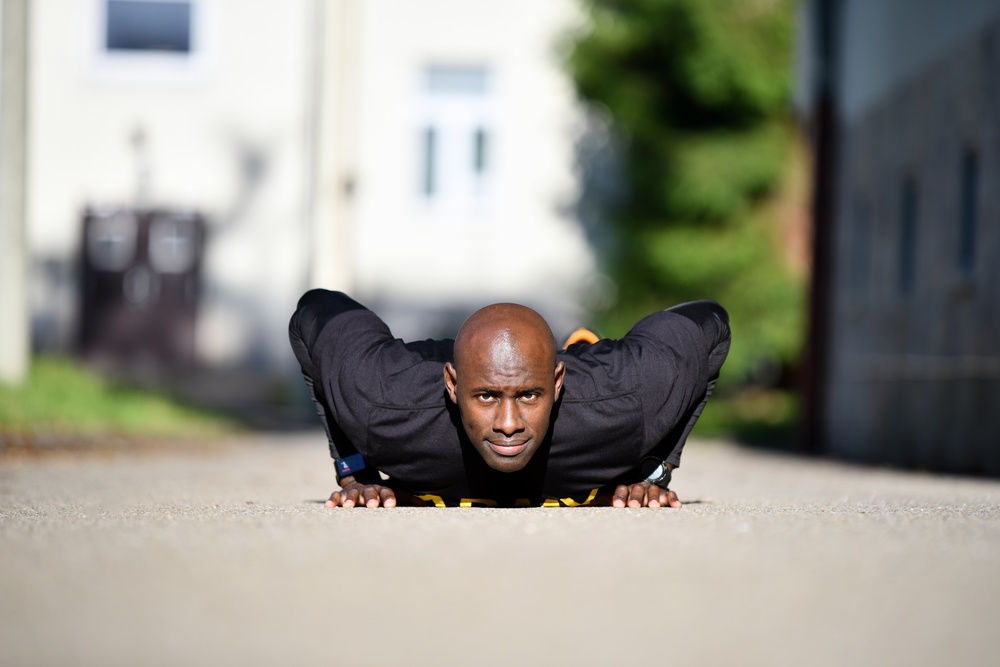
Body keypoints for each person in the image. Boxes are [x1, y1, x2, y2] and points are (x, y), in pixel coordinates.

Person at [289, 289, 730, 508]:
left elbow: (710, 323)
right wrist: (355, 470)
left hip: (587, 370)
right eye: (485, 397)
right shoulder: (386, 404)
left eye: (529, 396)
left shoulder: (622, 400)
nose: (508, 424)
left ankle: (575, 351)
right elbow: (315, 311)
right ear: (451, 385)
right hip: (422, 366)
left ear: (558, 383)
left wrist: (653, 470)